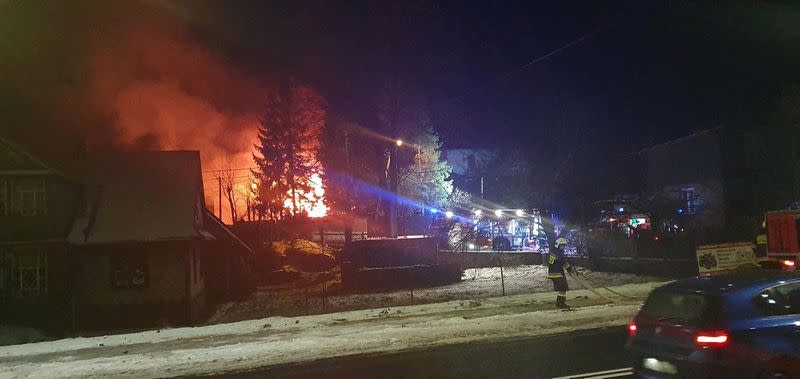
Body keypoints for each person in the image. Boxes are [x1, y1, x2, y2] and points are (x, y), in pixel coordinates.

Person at [547, 236, 575, 309]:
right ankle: (560, 303)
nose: (563, 247)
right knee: (563, 288)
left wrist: (569, 269)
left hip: (554, 273)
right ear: (558, 245)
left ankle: (559, 302)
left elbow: (560, 262)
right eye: (562, 245)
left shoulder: (554, 251)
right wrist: (569, 269)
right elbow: (563, 262)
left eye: (564, 245)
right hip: (557, 273)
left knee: (562, 288)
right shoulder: (558, 253)